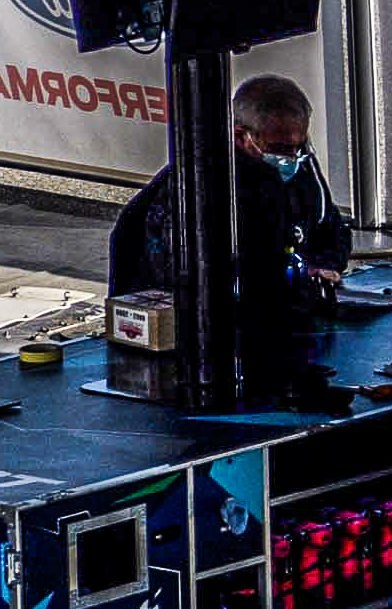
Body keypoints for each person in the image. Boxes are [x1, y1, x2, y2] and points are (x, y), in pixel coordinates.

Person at [109, 71, 350, 403]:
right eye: (280, 148)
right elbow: (187, 281)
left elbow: (332, 231)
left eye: (299, 146)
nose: (292, 158)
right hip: (200, 352)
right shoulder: (196, 188)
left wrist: (323, 266)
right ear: (241, 137)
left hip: (287, 334)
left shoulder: (302, 169)